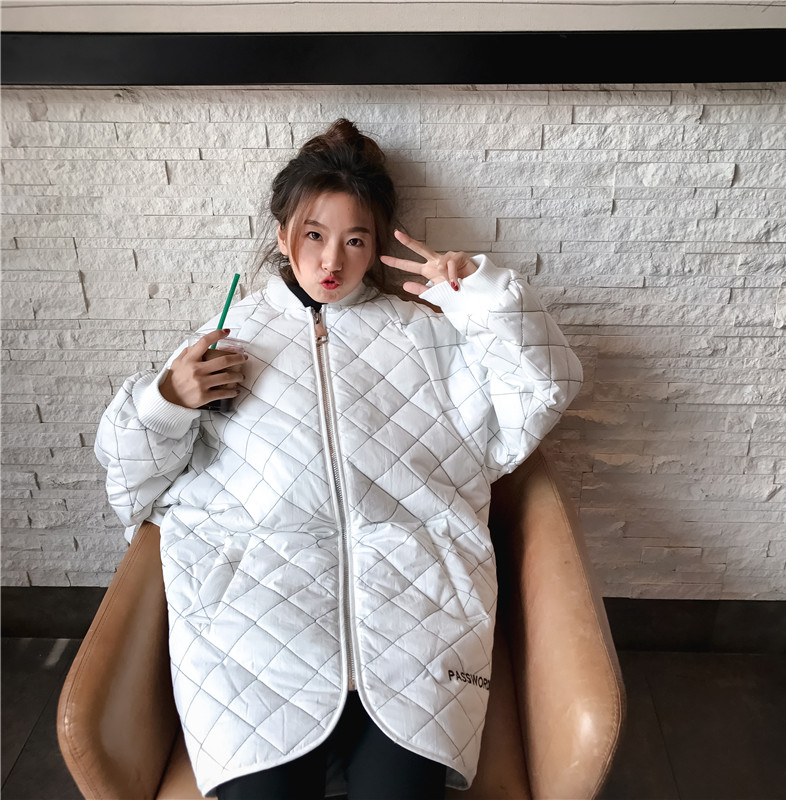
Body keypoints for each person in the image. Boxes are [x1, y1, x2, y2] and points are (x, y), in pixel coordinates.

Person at [95, 118, 583, 800]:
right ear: (281, 237)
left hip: (415, 620)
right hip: (255, 632)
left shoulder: (425, 337)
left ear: (377, 245)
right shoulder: (227, 344)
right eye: (314, 235)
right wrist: (167, 401)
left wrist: (478, 295)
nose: (333, 261)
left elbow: (539, 393)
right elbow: (131, 482)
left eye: (356, 240)